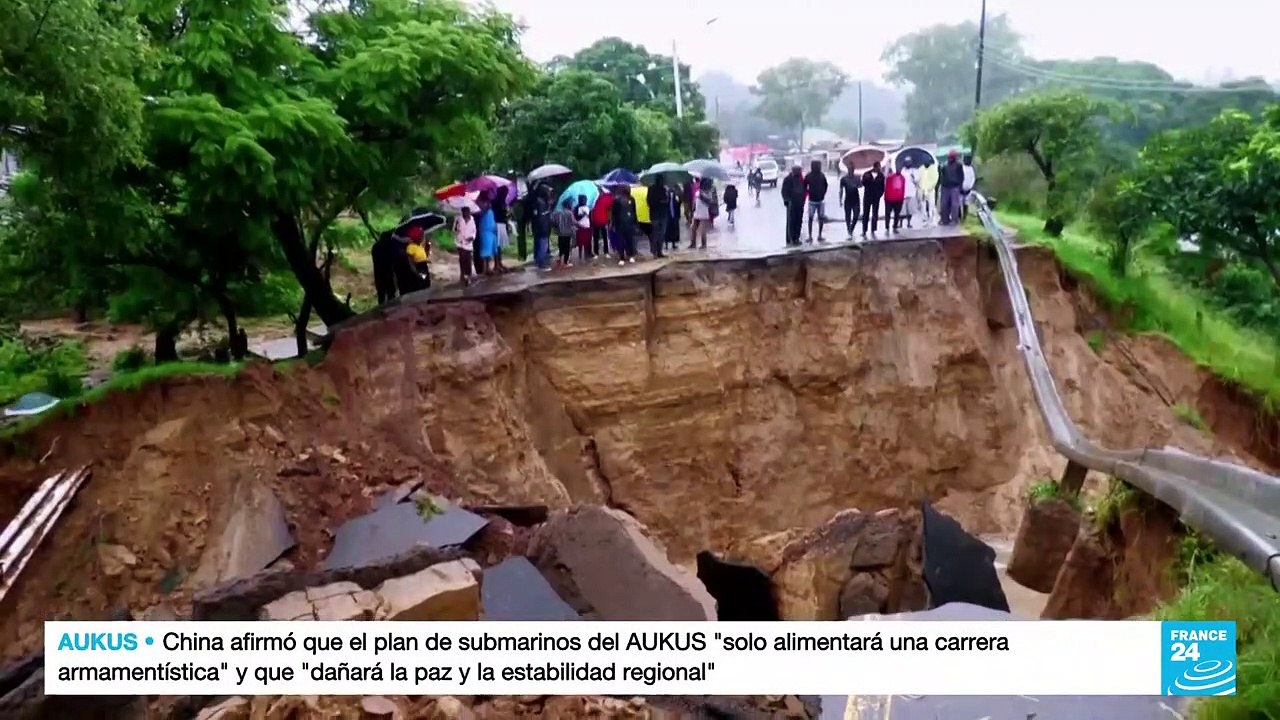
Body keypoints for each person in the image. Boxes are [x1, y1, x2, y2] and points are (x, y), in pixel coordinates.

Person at [371, 227, 401, 304]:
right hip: (389, 273)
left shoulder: (375, 247)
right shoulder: (389, 247)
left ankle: (381, 310)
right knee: (391, 293)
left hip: (378, 274)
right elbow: (394, 258)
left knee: (381, 294)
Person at [610, 185, 638, 264]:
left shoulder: (632, 199)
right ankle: (621, 257)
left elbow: (634, 211)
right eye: (628, 188)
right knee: (621, 241)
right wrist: (613, 224)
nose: (629, 189)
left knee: (630, 240)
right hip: (620, 223)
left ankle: (631, 255)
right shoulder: (617, 200)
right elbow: (614, 213)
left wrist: (635, 223)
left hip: (630, 223)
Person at [804, 159, 829, 243]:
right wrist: (809, 193)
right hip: (812, 201)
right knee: (811, 218)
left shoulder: (822, 176)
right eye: (817, 166)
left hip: (821, 200)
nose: (818, 167)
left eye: (818, 166)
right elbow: (804, 186)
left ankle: (819, 235)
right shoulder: (809, 176)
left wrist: (823, 193)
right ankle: (810, 236)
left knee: (820, 218)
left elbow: (826, 185)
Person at [939, 151, 965, 225]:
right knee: (944, 204)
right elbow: (941, 176)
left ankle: (954, 220)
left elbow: (961, 177)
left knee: (954, 204)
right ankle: (944, 219)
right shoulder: (944, 165)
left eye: (951, 157)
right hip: (945, 187)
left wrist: (960, 186)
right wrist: (941, 185)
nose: (950, 159)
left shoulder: (959, 165)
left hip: (955, 187)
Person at [690, 176, 717, 250]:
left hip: (703, 213)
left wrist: (701, 196)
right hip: (696, 212)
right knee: (693, 228)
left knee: (702, 230)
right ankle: (693, 243)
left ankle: (703, 244)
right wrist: (693, 209)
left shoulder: (708, 193)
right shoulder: (698, 192)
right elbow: (694, 202)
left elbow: (709, 202)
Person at [452, 206, 476, 286]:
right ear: (462, 212)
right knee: (462, 258)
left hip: (469, 243)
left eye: (468, 212)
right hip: (460, 242)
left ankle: (468, 275)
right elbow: (454, 230)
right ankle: (462, 274)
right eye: (465, 212)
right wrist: (457, 227)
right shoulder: (458, 219)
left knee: (468, 260)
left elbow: (474, 231)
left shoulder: (472, 220)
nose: (467, 213)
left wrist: (472, 237)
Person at [781, 165, 805, 246]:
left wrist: (803, 199)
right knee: (791, 222)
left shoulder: (801, 179)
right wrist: (786, 201)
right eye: (798, 171)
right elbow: (784, 191)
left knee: (799, 221)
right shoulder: (788, 179)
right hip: (791, 203)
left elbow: (804, 189)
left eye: (800, 171)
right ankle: (791, 238)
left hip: (800, 203)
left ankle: (796, 238)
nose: (799, 172)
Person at [861, 161, 885, 239]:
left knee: (875, 214)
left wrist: (879, 195)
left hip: (876, 198)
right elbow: (863, 183)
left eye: (880, 167)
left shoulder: (881, 176)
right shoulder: (867, 174)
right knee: (865, 214)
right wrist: (866, 179)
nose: (879, 168)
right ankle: (864, 230)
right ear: (875, 167)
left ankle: (873, 229)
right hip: (867, 197)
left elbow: (882, 187)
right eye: (878, 167)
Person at [531, 185, 553, 271]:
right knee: (542, 244)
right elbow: (541, 215)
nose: (549, 193)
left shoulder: (542, 202)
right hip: (542, 226)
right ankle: (541, 263)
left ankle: (540, 260)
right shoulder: (540, 202)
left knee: (542, 243)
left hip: (542, 226)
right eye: (548, 192)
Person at [647, 177, 669, 258]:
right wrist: (660, 201)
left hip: (660, 214)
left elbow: (666, 201)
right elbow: (649, 201)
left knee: (661, 234)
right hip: (656, 214)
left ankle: (658, 251)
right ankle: (655, 252)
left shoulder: (663, 189)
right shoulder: (652, 189)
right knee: (656, 234)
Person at [491, 190, 510, 273]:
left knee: (499, 246)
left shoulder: (501, 201)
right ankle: (497, 264)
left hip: (501, 223)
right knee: (497, 245)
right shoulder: (497, 202)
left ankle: (499, 263)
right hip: (498, 223)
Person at [552, 198, 575, 267]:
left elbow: (554, 221)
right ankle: (566, 262)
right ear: (569, 205)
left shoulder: (558, 212)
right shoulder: (570, 213)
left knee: (561, 246)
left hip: (560, 233)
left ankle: (559, 258)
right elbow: (573, 222)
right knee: (567, 248)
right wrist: (581, 225)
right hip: (568, 233)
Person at [838, 168, 861, 240]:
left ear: (854, 170)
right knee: (848, 216)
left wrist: (856, 185)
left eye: (852, 169)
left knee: (856, 215)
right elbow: (841, 190)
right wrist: (840, 200)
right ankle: (849, 230)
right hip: (848, 199)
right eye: (850, 169)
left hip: (856, 199)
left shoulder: (857, 178)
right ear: (847, 170)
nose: (851, 171)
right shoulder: (844, 179)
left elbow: (861, 185)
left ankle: (851, 228)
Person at [591, 189, 613, 260]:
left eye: (600, 192)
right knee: (596, 238)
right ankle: (596, 253)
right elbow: (591, 209)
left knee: (605, 237)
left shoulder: (605, 199)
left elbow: (609, 208)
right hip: (595, 221)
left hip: (604, 221)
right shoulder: (593, 199)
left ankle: (606, 252)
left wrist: (609, 220)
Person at [884, 165, 906, 233]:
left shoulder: (902, 178)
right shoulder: (890, 178)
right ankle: (887, 227)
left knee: (896, 214)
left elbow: (903, 188)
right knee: (889, 214)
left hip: (898, 199)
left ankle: (894, 227)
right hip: (890, 199)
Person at [575, 194, 593, 263]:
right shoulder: (577, 208)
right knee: (580, 243)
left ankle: (586, 256)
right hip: (580, 227)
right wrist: (583, 215)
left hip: (587, 226)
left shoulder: (588, 207)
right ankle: (580, 256)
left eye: (585, 199)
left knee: (587, 242)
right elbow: (576, 218)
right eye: (583, 199)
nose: (584, 201)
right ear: (580, 200)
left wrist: (591, 225)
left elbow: (590, 218)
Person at [901, 158, 918, 229]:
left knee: (910, 210)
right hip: (903, 193)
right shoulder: (902, 171)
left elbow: (916, 181)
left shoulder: (914, 171)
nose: (908, 163)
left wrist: (913, 177)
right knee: (902, 210)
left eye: (909, 162)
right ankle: (900, 223)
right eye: (907, 162)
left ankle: (909, 223)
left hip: (911, 193)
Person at [960, 154, 976, 221]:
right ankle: (960, 216)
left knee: (965, 203)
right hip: (962, 188)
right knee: (961, 202)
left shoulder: (970, 169)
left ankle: (964, 217)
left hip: (967, 188)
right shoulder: (962, 168)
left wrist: (970, 186)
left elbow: (973, 178)